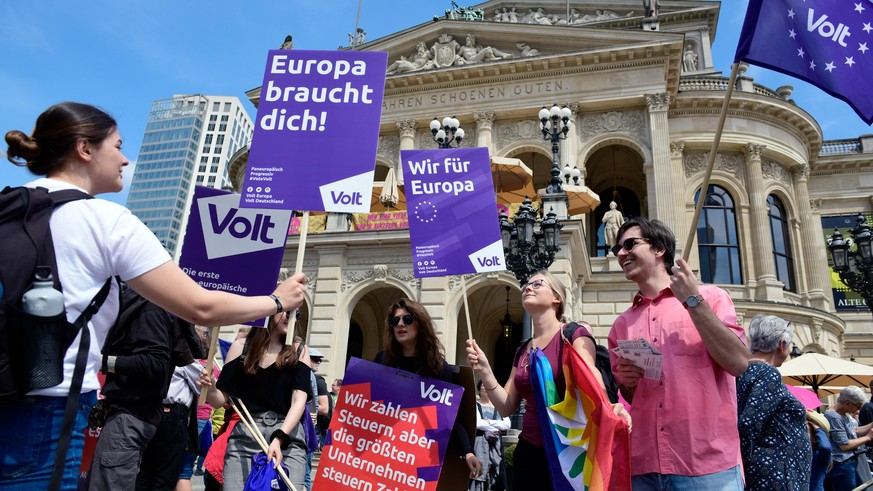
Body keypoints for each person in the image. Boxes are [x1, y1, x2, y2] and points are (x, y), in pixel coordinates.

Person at [1, 102, 306, 489]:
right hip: (48, 407)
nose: (125, 159)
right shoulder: (105, 220)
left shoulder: (7, 205)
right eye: (118, 145)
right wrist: (277, 301)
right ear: (85, 148)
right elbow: (202, 305)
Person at [608, 217, 748, 490]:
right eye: (617, 249)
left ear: (659, 249)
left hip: (707, 469)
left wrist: (693, 302)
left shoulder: (712, 297)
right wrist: (629, 383)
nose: (621, 253)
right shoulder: (622, 324)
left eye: (629, 244)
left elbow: (739, 362)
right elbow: (632, 397)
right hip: (645, 467)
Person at [466, 270, 630, 490]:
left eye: (537, 284)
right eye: (526, 285)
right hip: (529, 450)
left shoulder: (573, 334)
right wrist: (485, 370)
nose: (527, 288)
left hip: (570, 451)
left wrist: (611, 407)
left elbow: (592, 378)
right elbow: (506, 406)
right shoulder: (523, 349)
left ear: (556, 298)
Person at [198, 311, 312, 490]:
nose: (290, 317)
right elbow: (219, 400)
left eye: (296, 314)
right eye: (286, 311)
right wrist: (210, 386)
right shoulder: (241, 347)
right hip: (245, 436)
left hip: (287, 438)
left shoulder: (299, 350)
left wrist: (279, 438)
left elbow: (299, 400)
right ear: (270, 311)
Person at [376, 299, 482, 481]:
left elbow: (449, 417)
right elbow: (364, 405)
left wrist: (468, 452)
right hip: (384, 450)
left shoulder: (439, 368)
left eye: (407, 319)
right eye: (395, 321)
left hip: (420, 453)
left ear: (421, 323)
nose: (400, 324)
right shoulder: (381, 361)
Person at [87, 284, 173, 490]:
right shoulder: (143, 305)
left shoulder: (148, 308)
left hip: (130, 416)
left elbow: (155, 363)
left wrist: (99, 361)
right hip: (129, 415)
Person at [736, 314, 812, 490]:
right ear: (781, 344)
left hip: (774, 470)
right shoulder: (767, 373)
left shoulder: (746, 371)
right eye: (790, 343)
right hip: (777, 473)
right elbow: (748, 423)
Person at [824, 386, 873, 490]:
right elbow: (844, 445)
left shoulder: (844, 415)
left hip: (849, 462)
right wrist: (868, 437)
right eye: (858, 406)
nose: (859, 410)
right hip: (841, 465)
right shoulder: (833, 417)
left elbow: (855, 431)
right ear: (847, 403)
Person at [469, 381, 510, 491]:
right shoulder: (475, 406)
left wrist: (489, 422)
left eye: (488, 385)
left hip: (496, 446)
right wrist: (497, 427)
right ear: (479, 389)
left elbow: (507, 424)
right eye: (483, 385)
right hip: (480, 445)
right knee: (479, 472)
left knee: (497, 473)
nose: (486, 387)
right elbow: (478, 423)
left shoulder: (500, 407)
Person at [807, 410, 833, 491]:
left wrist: (819, 429)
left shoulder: (820, 456)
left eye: (805, 430)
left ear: (815, 438)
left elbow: (826, 447)